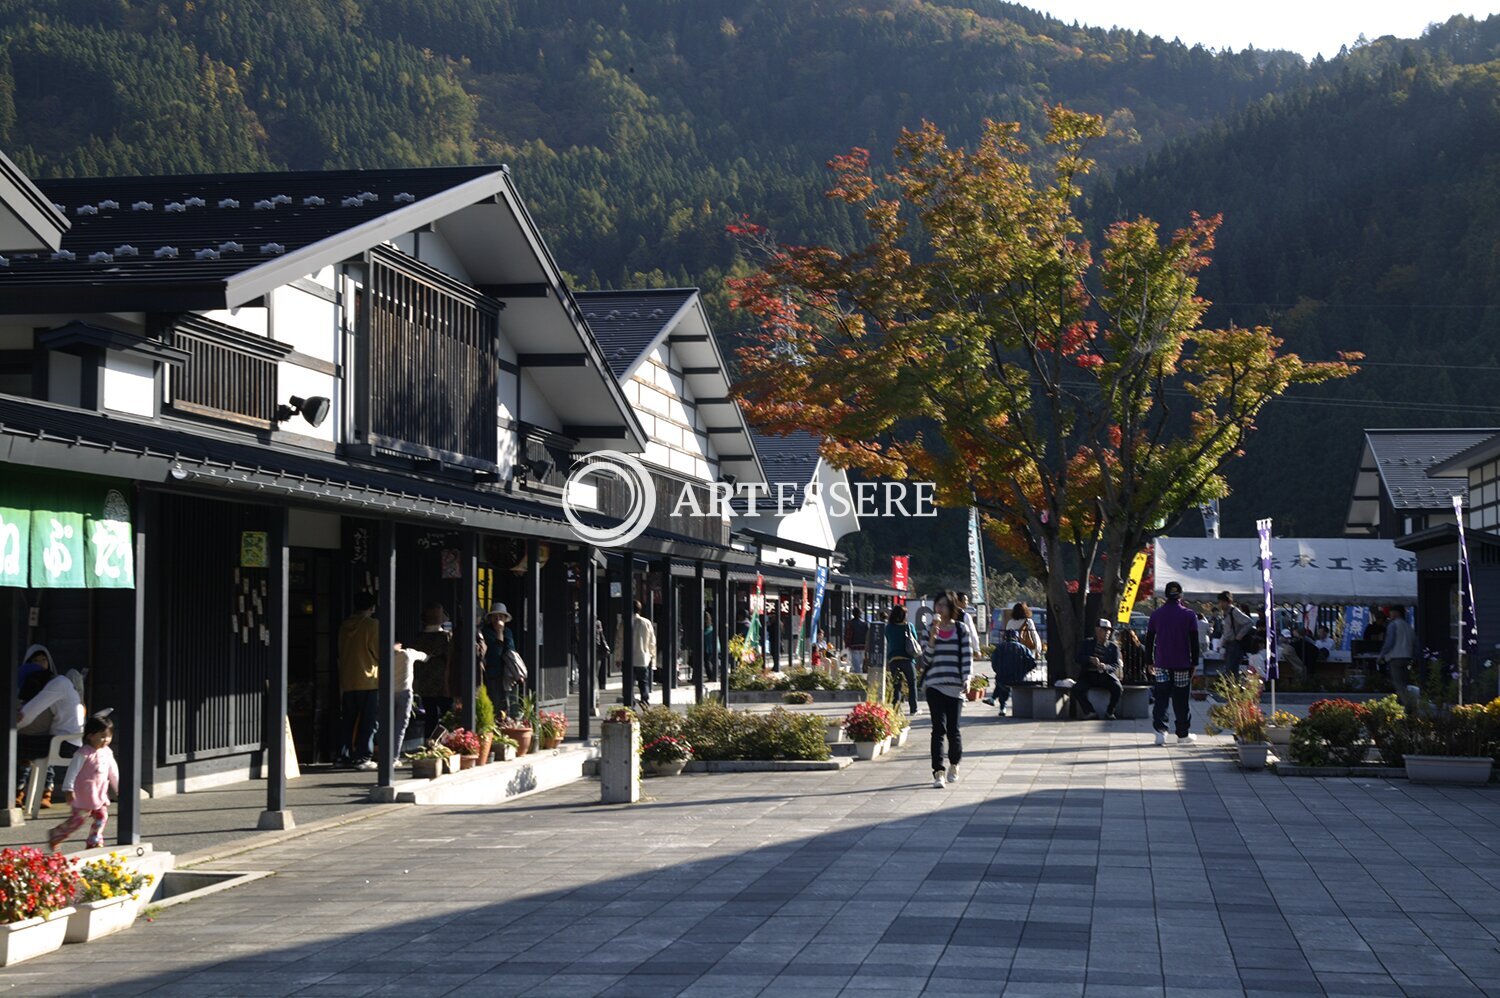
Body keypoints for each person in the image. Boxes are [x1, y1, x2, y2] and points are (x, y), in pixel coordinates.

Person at [16, 646, 84, 808]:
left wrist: (12, 725)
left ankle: (16, 793)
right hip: (67, 741)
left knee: (14, 745)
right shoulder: (61, 683)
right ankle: (30, 792)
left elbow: (28, 714)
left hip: (64, 744)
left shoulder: (56, 685)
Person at [922, 591, 973, 788]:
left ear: (951, 608)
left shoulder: (961, 629)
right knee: (938, 729)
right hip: (934, 684)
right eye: (938, 605)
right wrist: (933, 637)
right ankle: (938, 772)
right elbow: (925, 659)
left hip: (955, 686)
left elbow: (966, 656)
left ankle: (954, 764)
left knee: (953, 730)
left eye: (943, 605)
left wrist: (967, 678)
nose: (939, 609)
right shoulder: (929, 629)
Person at [46, 715, 116, 853]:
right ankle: (56, 834)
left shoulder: (107, 752)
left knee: (102, 816)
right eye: (102, 736)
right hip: (84, 793)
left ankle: (94, 841)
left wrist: (119, 788)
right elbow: (72, 772)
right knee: (78, 820)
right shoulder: (83, 753)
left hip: (99, 792)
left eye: (108, 736)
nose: (106, 740)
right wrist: (68, 789)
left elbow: (113, 771)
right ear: (90, 736)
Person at [1146, 581, 1200, 746]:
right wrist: (1195, 662)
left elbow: (1149, 639)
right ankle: (1183, 734)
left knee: (1161, 697)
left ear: (1165, 596)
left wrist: (1149, 661)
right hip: (1182, 663)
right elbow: (1194, 641)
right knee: (1181, 699)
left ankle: (1160, 731)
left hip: (1161, 663)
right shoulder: (1189, 615)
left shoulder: (1156, 615)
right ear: (1181, 595)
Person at [336, 592, 380, 771]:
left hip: (348, 679)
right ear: (372, 608)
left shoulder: (344, 625)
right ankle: (363, 756)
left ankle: (342, 755)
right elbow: (379, 652)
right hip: (369, 679)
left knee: (348, 720)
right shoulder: (372, 625)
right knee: (369, 720)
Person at [408, 602, 453, 742]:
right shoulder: (446, 637)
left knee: (430, 716)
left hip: (425, 682)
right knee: (448, 716)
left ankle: (429, 743)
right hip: (443, 683)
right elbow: (451, 659)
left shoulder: (418, 638)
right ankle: (447, 742)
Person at [988, 602, 1041, 715]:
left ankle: (999, 703)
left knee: (1003, 678)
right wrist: (1038, 650)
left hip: (1010, 654)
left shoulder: (1010, 622)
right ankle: (998, 702)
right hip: (1023, 654)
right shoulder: (1028, 621)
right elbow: (1034, 635)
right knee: (1010, 678)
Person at [1072, 618, 1124, 720]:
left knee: (1118, 688)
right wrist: (1089, 659)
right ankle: (1089, 711)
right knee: (1076, 689)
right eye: (1104, 629)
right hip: (1089, 675)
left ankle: (1110, 712)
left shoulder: (1113, 647)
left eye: (1109, 630)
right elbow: (1077, 658)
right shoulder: (1087, 644)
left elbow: (1115, 664)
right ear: (1097, 630)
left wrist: (1106, 667)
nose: (1107, 632)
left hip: (1105, 675)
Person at [615, 600, 657, 704]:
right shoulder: (646, 623)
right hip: (643, 658)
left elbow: (619, 641)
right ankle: (645, 699)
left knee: (628, 683)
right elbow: (652, 641)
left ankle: (631, 703)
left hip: (628, 658)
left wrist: (618, 657)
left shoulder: (624, 623)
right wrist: (652, 656)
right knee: (643, 682)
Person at [481, 602, 519, 717]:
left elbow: (510, 650)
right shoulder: (486, 632)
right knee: (496, 703)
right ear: (491, 618)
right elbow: (495, 653)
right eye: (495, 616)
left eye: (501, 616)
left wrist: (502, 633)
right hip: (492, 672)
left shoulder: (508, 632)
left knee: (509, 703)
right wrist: (498, 632)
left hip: (507, 673)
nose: (498, 619)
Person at [884, 605, 921, 716]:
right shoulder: (908, 626)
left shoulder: (889, 627)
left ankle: (896, 709)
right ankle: (913, 709)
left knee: (896, 685)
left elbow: (888, 639)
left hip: (893, 659)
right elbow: (915, 639)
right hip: (907, 659)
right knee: (912, 683)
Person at [1378, 605, 1416, 699]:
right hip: (1407, 657)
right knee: (1406, 683)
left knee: (1399, 684)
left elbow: (1389, 642)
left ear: (1396, 613)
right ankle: (1409, 703)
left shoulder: (1393, 625)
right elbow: (1415, 642)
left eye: (1391, 612)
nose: (1389, 614)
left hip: (1395, 658)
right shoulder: (1408, 626)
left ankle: (1408, 707)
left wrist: (1381, 655)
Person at [1217, 591, 1254, 677]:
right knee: (1228, 670)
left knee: (1232, 671)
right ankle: (1231, 689)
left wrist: (1239, 636)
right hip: (1228, 644)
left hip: (1235, 645)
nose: (1221, 605)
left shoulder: (1234, 611)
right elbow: (1226, 631)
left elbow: (1249, 622)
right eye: (1220, 602)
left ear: (1228, 602)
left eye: (1223, 602)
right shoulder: (1225, 614)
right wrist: (1221, 643)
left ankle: (1234, 689)